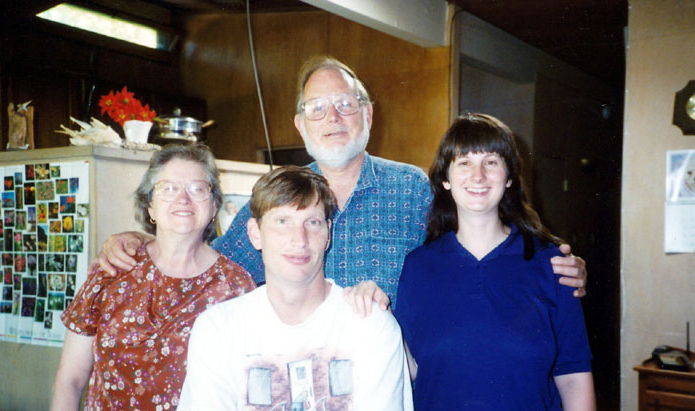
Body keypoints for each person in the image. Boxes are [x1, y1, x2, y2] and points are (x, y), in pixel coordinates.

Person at [94, 56, 589, 304]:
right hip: (302, 397)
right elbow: (213, 266)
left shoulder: (412, 187)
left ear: (367, 116)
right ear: (299, 125)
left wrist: (547, 260)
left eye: (346, 104)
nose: (332, 117)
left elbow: (482, 240)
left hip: (397, 400)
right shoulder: (275, 197)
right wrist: (143, 241)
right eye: (316, 108)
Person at [175, 165, 414, 411]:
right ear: (255, 234)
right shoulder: (217, 326)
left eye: (312, 222)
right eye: (282, 222)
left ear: (328, 232)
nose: (299, 240)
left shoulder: (371, 325)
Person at [394, 113, 596, 411]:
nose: (478, 174)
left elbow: (574, 380)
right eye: (464, 162)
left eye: (491, 161)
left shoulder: (553, 266)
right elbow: (411, 370)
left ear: (509, 177)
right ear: (446, 179)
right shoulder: (418, 267)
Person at [46, 145, 255, 411]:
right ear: (150, 206)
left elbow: (244, 396)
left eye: (198, 188)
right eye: (168, 188)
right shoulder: (112, 271)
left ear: (214, 205)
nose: (183, 199)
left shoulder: (236, 287)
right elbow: (70, 380)